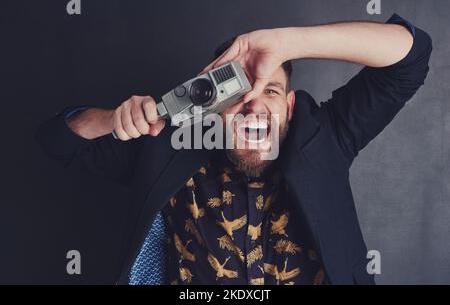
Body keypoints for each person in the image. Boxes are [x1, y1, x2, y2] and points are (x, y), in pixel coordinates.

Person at [36, 14, 432, 285]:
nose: (254, 104)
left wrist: (286, 41)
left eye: (270, 90)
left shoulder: (325, 137)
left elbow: (412, 57)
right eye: (236, 95)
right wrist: (112, 120)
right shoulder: (167, 145)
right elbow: (57, 140)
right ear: (211, 109)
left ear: (290, 108)